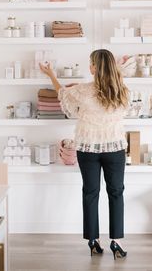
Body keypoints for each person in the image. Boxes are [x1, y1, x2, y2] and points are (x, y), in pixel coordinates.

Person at [39, 49, 129, 260]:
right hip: (114, 149)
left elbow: (62, 94)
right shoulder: (122, 90)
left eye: (91, 63)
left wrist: (51, 74)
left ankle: (92, 241)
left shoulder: (82, 91)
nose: (89, 66)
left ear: (96, 68)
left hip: (88, 149)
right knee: (116, 193)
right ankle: (117, 242)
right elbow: (123, 111)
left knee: (90, 193)